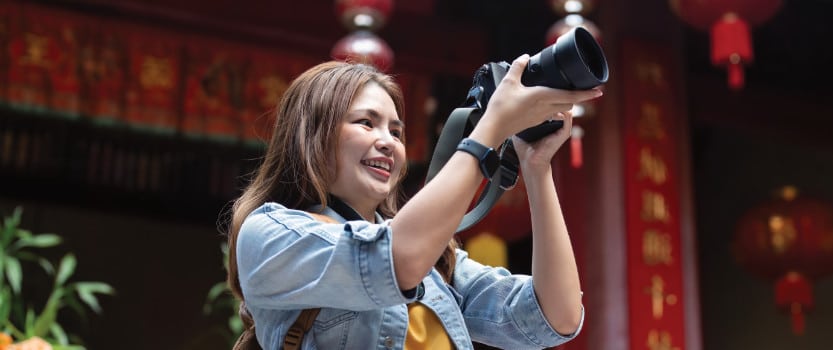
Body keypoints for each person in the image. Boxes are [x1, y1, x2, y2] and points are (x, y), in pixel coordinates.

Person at [224, 54, 603, 349]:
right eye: (365, 123)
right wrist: (491, 128)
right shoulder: (269, 234)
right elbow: (393, 259)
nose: (388, 142)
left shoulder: (436, 265)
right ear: (312, 134)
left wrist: (536, 167)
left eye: (396, 130)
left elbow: (556, 317)